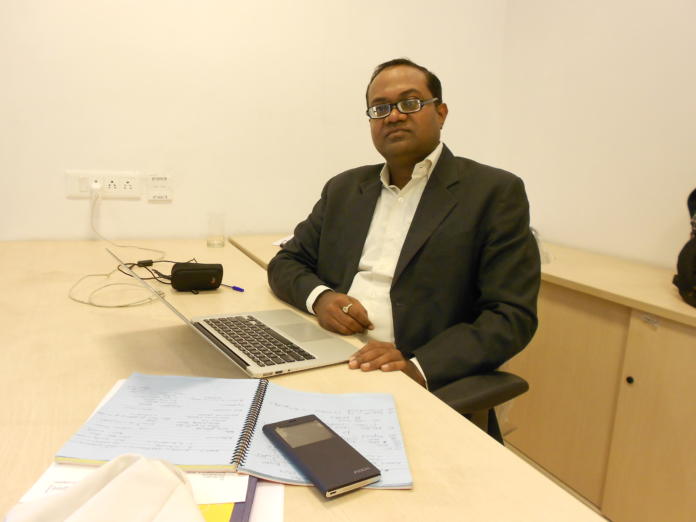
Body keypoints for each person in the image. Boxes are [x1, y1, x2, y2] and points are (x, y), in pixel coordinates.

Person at [268, 58, 540, 391]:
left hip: (403, 371)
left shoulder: (493, 193)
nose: (393, 116)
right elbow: (286, 262)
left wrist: (418, 366)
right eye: (380, 108)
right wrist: (321, 299)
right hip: (328, 350)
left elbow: (510, 316)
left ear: (441, 113)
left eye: (410, 103)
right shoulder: (344, 189)